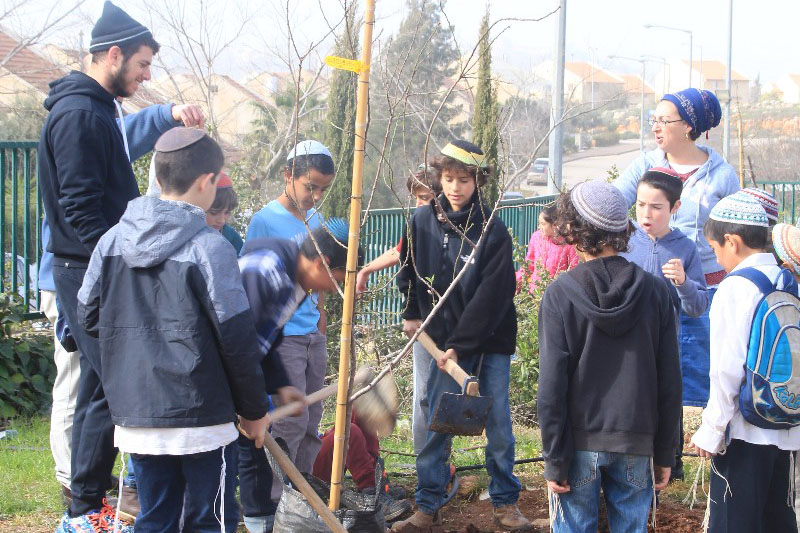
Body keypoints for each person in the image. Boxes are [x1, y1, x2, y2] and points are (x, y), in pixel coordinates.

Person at [38, 2, 200, 528]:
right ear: (113, 55)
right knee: (117, 384)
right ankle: (85, 510)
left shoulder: (96, 109)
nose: (147, 74)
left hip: (90, 266)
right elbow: (81, 209)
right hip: (86, 269)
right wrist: (125, 261)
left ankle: (83, 504)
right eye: (143, 64)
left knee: (99, 387)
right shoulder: (80, 115)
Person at [74, 128, 280, 532]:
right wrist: (254, 411)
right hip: (203, 422)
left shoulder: (110, 242)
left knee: (155, 516)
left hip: (137, 420)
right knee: (212, 520)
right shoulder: (210, 249)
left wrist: (128, 372)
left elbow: (87, 318)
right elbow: (237, 341)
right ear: (206, 182)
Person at [393, 140, 531, 533]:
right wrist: (412, 313)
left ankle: (505, 504)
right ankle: (428, 505)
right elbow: (409, 273)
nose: (455, 187)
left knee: (499, 422)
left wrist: (461, 344)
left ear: (478, 181)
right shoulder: (420, 221)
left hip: (489, 340)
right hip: (438, 341)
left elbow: (494, 295)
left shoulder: (492, 229)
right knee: (436, 420)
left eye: (464, 179)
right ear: (439, 177)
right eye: (449, 178)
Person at [538, 180, 682, 532]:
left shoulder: (560, 295)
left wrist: (555, 459)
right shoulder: (656, 291)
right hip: (637, 441)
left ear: (573, 230)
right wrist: (667, 453)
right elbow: (670, 380)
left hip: (578, 444)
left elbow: (552, 386)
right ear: (622, 229)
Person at [614, 88, 739, 412]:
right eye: (652, 119)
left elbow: (735, 237)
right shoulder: (645, 166)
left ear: (688, 126)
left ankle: (689, 449)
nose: (655, 127)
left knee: (698, 380)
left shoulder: (722, 176)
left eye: (664, 120)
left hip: (704, 291)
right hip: (650, 291)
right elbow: (613, 206)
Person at [236, 220, 360, 533]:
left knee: (256, 453)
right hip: (222, 376)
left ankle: (265, 521)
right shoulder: (269, 271)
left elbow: (269, 336)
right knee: (239, 456)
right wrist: (252, 408)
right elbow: (240, 343)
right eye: (341, 278)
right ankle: (256, 524)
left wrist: (281, 385)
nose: (339, 288)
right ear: (322, 263)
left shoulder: (296, 281)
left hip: (242, 369)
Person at [691, 193, 800, 532]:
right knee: (778, 520)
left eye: (715, 248)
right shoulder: (789, 280)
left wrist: (712, 430)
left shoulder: (734, 287)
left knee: (734, 522)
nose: (716, 256)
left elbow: (726, 368)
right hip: (787, 426)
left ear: (732, 242)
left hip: (744, 429)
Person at [243, 139, 334, 510]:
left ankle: (305, 498)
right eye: (310, 186)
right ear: (288, 175)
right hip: (286, 339)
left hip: (313, 333)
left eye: (322, 190)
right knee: (289, 422)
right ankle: (279, 501)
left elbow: (325, 271)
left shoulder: (317, 220)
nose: (315, 196)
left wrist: (322, 315)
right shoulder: (265, 219)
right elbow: (252, 283)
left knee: (312, 417)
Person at [355, 165, 441, 455]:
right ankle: (425, 460)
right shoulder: (419, 223)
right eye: (416, 198)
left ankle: (438, 459)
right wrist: (366, 270)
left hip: (452, 322)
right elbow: (400, 253)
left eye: (425, 197)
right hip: (424, 321)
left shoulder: (452, 226)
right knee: (425, 396)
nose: (419, 204)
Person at [311, 410, 412, 523]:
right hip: (303, 471)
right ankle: (372, 496)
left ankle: (377, 485)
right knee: (348, 431)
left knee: (359, 410)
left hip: (314, 445)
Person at [515, 205, 579, 293]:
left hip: (557, 293)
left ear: (554, 224)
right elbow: (529, 263)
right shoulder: (536, 237)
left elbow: (574, 269)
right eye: (539, 223)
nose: (539, 227)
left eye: (543, 224)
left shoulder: (568, 242)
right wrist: (517, 282)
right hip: (535, 292)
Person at [206, 171, 244, 254]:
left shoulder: (232, 238)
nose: (221, 220)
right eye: (214, 213)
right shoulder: (187, 236)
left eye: (227, 212)